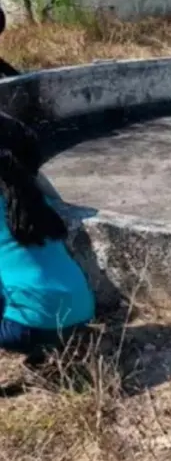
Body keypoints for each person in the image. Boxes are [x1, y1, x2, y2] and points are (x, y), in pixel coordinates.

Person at [0, 112, 95, 367]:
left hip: (29, 329)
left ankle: (34, 340)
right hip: (83, 314)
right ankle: (45, 349)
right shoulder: (34, 197)